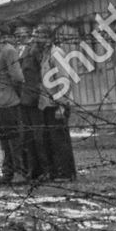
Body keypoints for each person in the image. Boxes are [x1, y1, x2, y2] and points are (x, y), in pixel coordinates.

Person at [0, 21, 27, 185]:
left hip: (7, 101)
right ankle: (8, 172)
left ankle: (19, 172)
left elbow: (17, 77)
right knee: (3, 139)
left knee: (14, 139)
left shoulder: (8, 51)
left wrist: (13, 94)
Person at [37, 26, 78, 182]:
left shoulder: (56, 54)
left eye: (40, 35)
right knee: (51, 139)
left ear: (49, 38)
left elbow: (64, 79)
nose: (37, 39)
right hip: (47, 103)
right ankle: (57, 171)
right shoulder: (45, 55)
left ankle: (66, 172)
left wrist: (62, 104)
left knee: (60, 140)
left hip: (57, 103)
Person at [15, 19, 46, 181]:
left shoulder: (34, 51)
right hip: (22, 99)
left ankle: (42, 170)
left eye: (24, 33)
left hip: (34, 98)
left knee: (38, 137)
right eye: (17, 34)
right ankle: (31, 170)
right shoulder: (18, 52)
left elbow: (42, 74)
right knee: (26, 137)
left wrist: (40, 95)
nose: (20, 37)